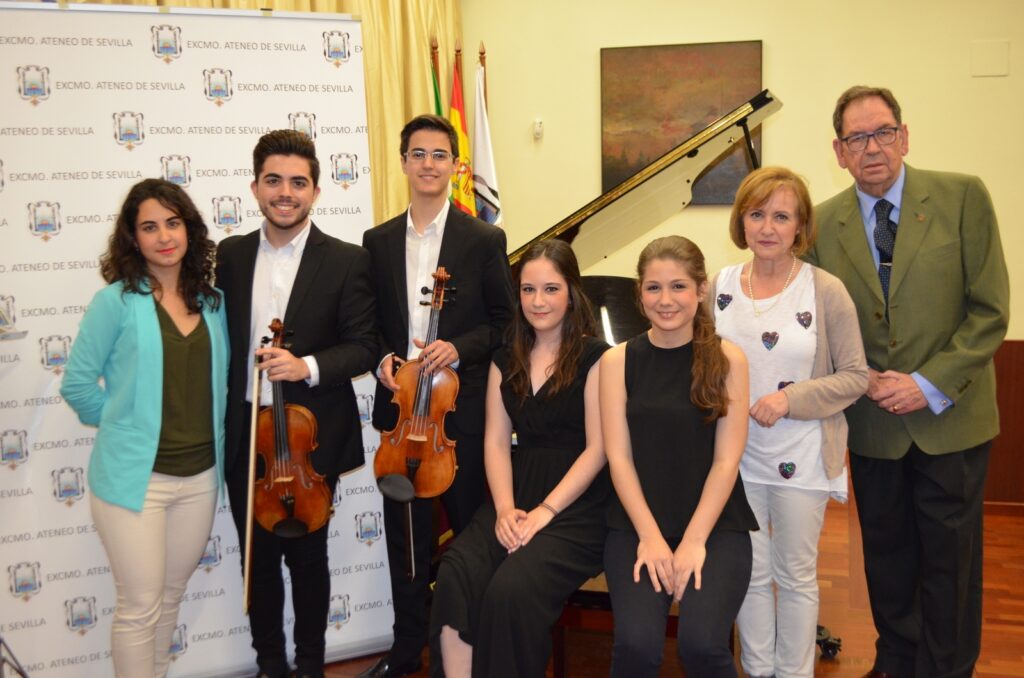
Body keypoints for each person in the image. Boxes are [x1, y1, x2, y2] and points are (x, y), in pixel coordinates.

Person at [806, 86, 1009, 678]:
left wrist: (927, 383)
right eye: (857, 138)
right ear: (839, 152)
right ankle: (895, 661)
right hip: (873, 422)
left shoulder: (962, 197)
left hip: (952, 419)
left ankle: (946, 669)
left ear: (904, 136)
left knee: (951, 564)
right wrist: (863, 378)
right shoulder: (821, 223)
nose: (872, 147)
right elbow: (816, 323)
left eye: (883, 132)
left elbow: (990, 311)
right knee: (887, 559)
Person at [216, 129, 377, 678]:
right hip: (248, 436)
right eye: (274, 180)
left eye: (298, 182)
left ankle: (310, 666)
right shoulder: (230, 255)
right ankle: (270, 665)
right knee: (256, 562)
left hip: (312, 438)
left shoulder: (348, 260)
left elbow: (364, 345)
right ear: (255, 187)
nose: (286, 192)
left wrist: (305, 365)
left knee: (309, 561)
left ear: (316, 191)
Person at [360, 114, 514, 678]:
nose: (428, 164)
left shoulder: (483, 239)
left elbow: (505, 324)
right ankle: (406, 652)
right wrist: (382, 360)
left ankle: (470, 650)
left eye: (439, 155)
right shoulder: (376, 242)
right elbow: (367, 327)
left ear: (455, 165)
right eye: (418, 154)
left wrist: (458, 348)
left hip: (458, 420)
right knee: (406, 546)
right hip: (401, 420)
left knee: (471, 538)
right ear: (403, 162)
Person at [61, 178, 228, 678]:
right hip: (136, 481)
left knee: (170, 597)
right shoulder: (115, 301)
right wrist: (124, 425)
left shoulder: (213, 302)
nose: (164, 237)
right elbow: (77, 385)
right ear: (133, 238)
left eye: (172, 223)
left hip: (200, 478)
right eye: (149, 227)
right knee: (139, 607)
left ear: (189, 229)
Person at [709, 166, 868, 677]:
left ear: (800, 226)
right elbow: (701, 368)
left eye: (782, 216)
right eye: (757, 214)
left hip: (803, 457)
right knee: (751, 574)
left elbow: (855, 376)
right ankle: (758, 670)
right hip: (734, 460)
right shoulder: (719, 287)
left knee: (795, 576)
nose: (768, 227)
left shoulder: (826, 290)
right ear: (742, 220)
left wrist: (789, 399)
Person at [428, 239, 611, 677]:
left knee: (511, 589)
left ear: (572, 293)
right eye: (528, 290)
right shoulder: (504, 357)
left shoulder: (597, 358)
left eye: (551, 289)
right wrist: (505, 510)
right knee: (456, 574)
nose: (538, 301)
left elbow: (599, 448)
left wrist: (546, 511)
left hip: (577, 504)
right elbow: (495, 442)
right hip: (516, 492)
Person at [600, 235, 757, 677]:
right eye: (653, 287)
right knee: (636, 646)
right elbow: (618, 457)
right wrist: (650, 537)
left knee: (702, 645)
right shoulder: (616, 362)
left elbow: (727, 461)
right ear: (640, 293)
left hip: (715, 525)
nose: (665, 300)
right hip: (636, 523)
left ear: (701, 289)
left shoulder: (729, 359)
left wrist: (692, 542)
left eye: (678, 286)